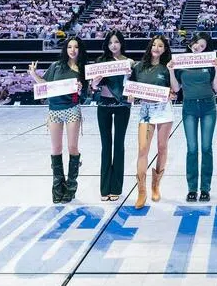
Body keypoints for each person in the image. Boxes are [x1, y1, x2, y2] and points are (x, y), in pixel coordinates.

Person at [27, 35, 87, 204]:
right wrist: (33, 74)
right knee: (56, 148)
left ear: (80, 50)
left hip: (72, 109)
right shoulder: (56, 66)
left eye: (76, 47)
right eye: (69, 47)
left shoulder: (82, 69)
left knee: (72, 147)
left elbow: (85, 95)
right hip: (54, 110)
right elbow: (44, 85)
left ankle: (71, 187)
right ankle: (57, 187)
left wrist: (80, 90)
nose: (73, 50)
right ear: (65, 49)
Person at [131, 34, 179, 208]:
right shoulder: (139, 67)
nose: (156, 48)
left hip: (164, 110)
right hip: (145, 112)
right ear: (150, 47)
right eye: (154, 45)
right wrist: (131, 94)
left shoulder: (167, 68)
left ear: (164, 49)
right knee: (143, 149)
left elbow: (175, 89)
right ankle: (141, 191)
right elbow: (131, 88)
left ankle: (155, 185)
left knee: (162, 147)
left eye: (160, 46)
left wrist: (172, 73)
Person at [175, 32, 217, 202]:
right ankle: (192, 188)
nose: (198, 47)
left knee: (206, 147)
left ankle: (205, 188)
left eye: (202, 46)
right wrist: (171, 70)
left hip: (208, 106)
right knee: (192, 148)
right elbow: (176, 88)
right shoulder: (181, 62)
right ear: (191, 42)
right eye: (197, 43)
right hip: (189, 107)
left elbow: (216, 88)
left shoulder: (209, 62)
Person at [89, 30, 132, 202]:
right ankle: (105, 188)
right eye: (110, 43)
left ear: (121, 43)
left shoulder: (129, 62)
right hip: (104, 105)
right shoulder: (100, 62)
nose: (113, 45)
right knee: (106, 146)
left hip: (122, 106)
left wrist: (130, 79)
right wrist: (94, 83)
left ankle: (116, 187)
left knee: (119, 145)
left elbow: (132, 86)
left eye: (116, 42)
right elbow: (92, 88)